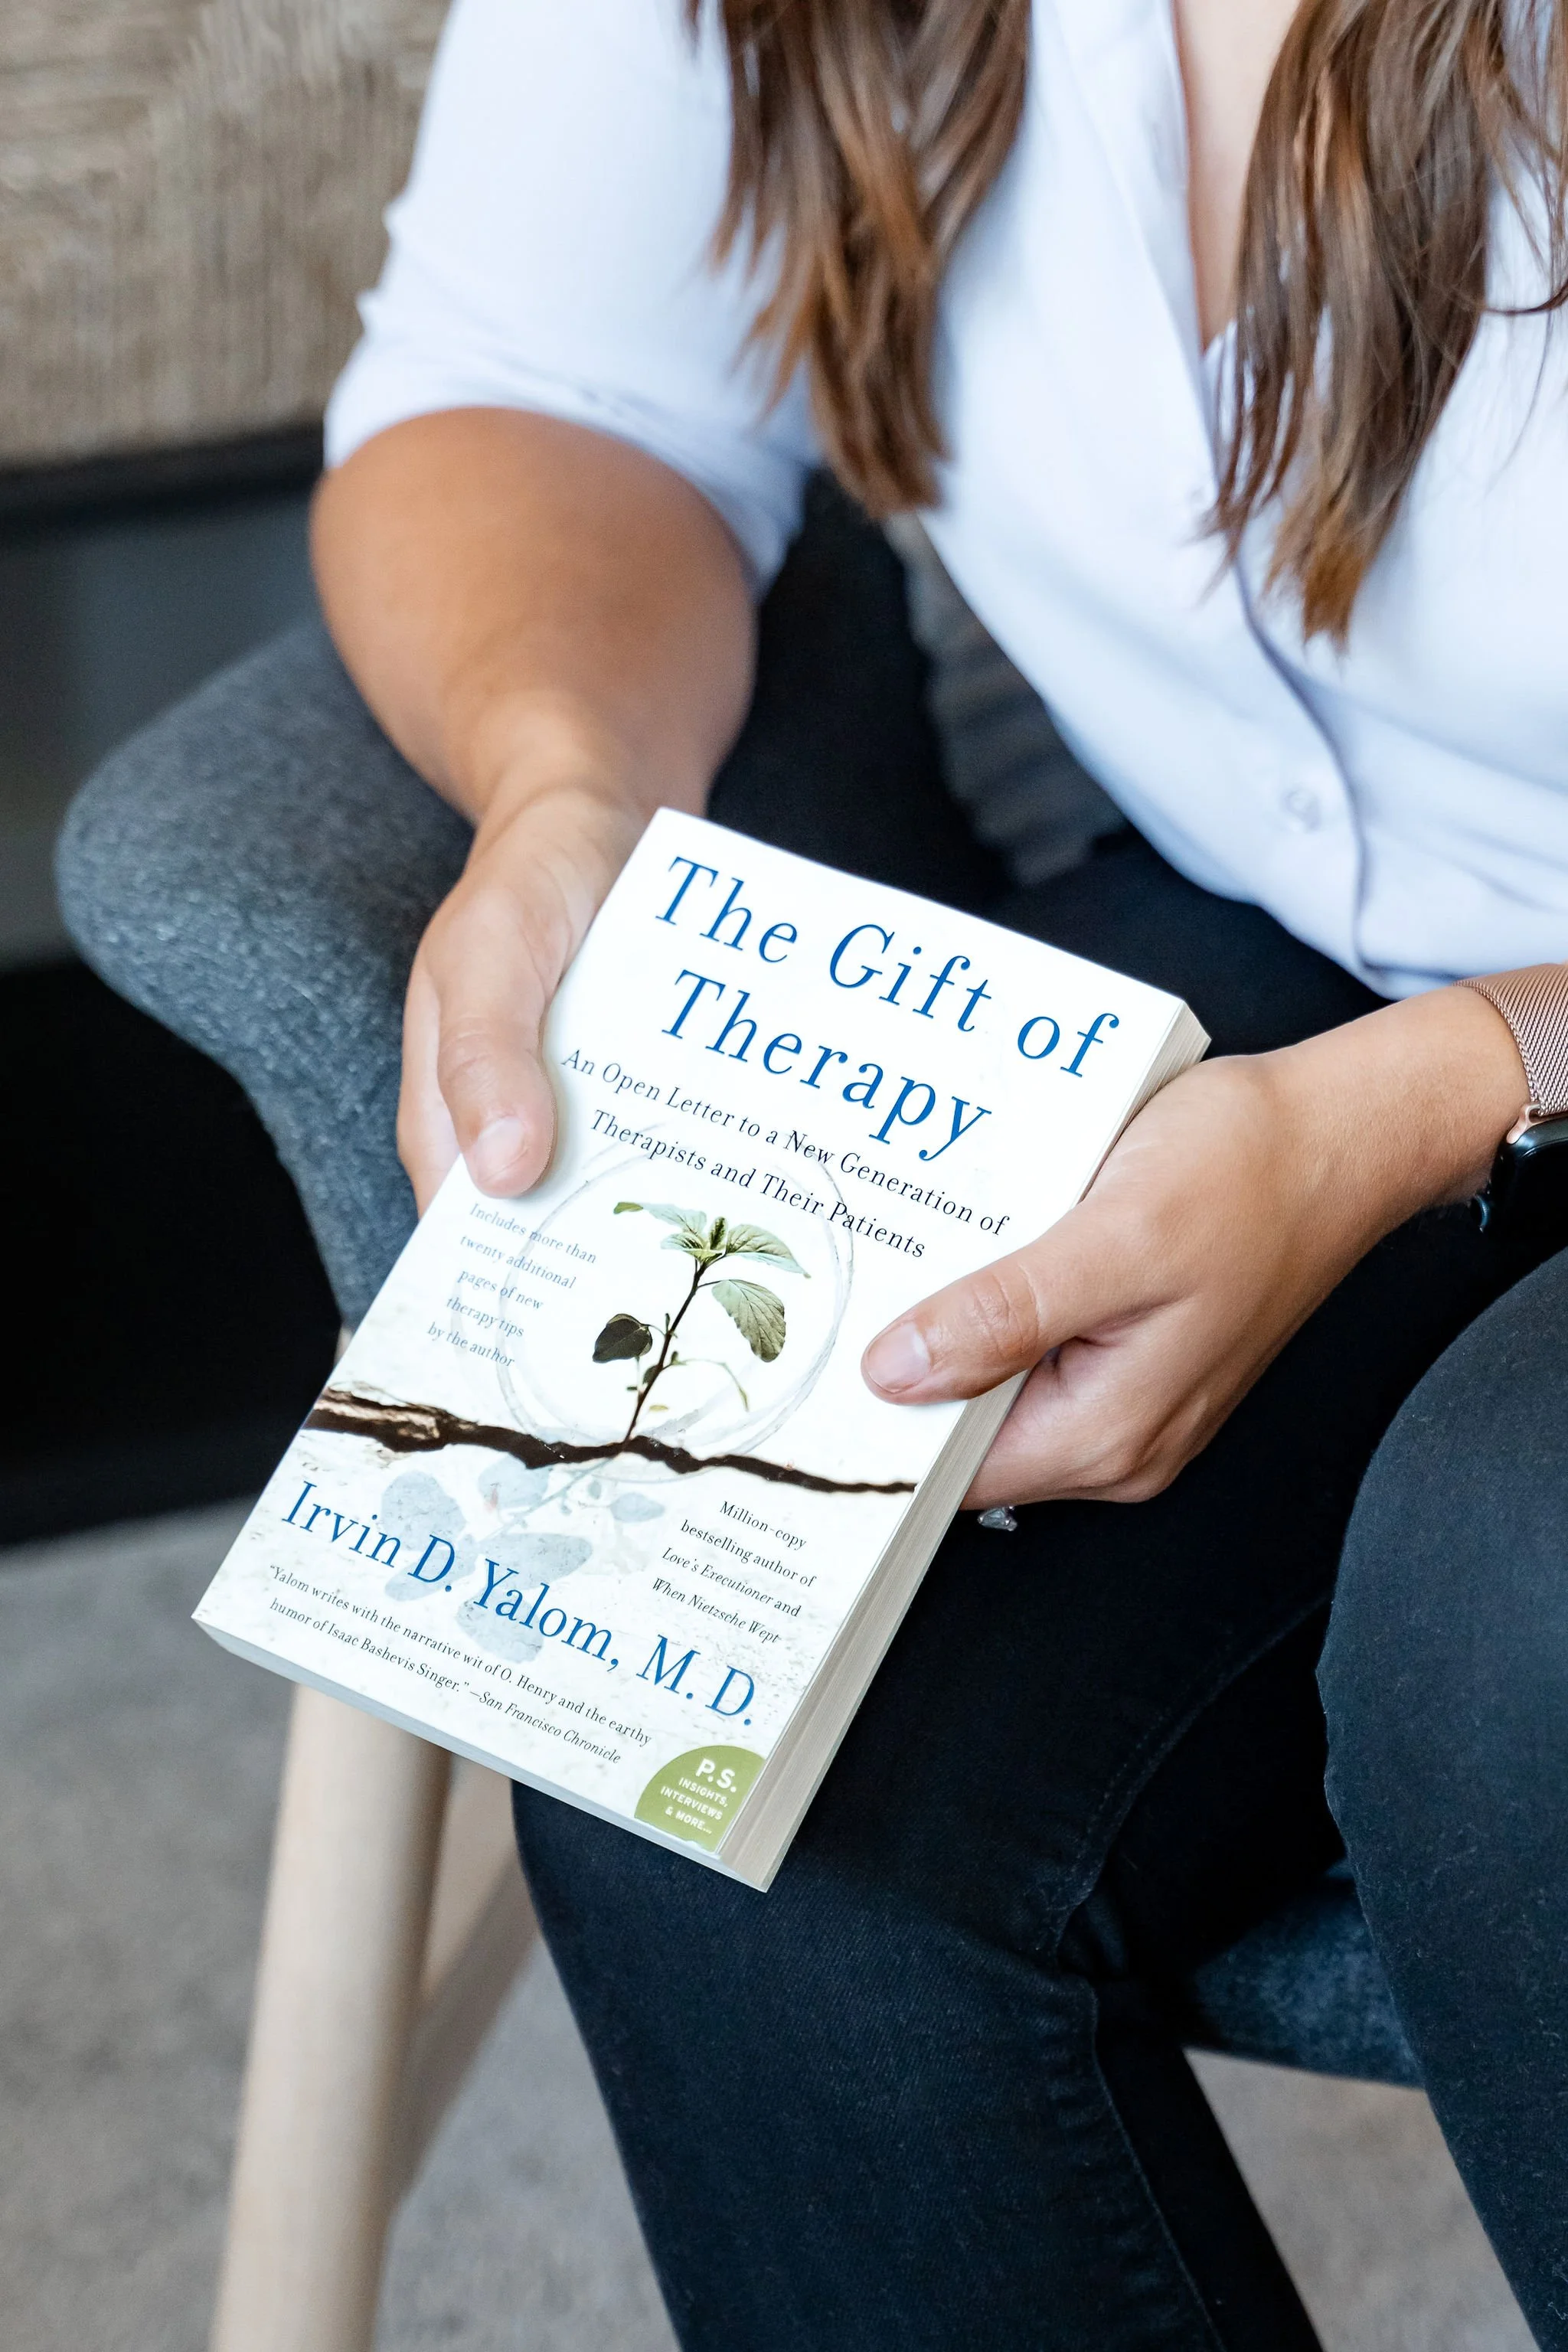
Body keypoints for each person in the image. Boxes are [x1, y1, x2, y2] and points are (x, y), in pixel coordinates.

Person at [59, 0, 1568, 2343]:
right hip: (1281, 941)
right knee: (730, 1673)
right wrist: (574, 787)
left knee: (1532, 1606)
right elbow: (558, 387)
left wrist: (1435, 1097)